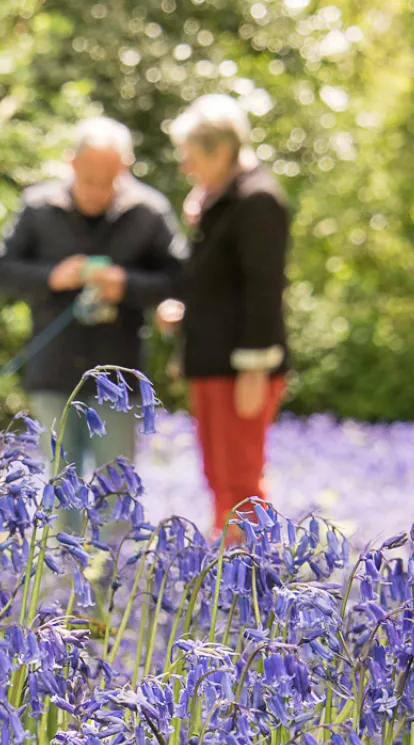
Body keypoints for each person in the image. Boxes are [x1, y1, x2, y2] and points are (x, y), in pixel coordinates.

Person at [0, 117, 187, 537]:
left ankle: (111, 588)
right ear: (70, 162)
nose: (98, 190)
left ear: (127, 167)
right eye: (89, 178)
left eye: (109, 180)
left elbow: (180, 279)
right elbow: (0, 271)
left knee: (117, 491)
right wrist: (51, 278)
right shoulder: (38, 206)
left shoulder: (149, 211)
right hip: (54, 370)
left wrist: (127, 285)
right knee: (61, 485)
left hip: (118, 374)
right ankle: (63, 585)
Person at [156, 93, 289, 535]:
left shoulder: (258, 199)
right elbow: (213, 278)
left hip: (241, 367)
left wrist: (255, 368)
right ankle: (226, 574)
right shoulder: (218, 200)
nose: (185, 168)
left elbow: (264, 287)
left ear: (223, 151)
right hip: (211, 359)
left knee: (240, 479)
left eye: (191, 157)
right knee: (218, 477)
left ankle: (249, 576)